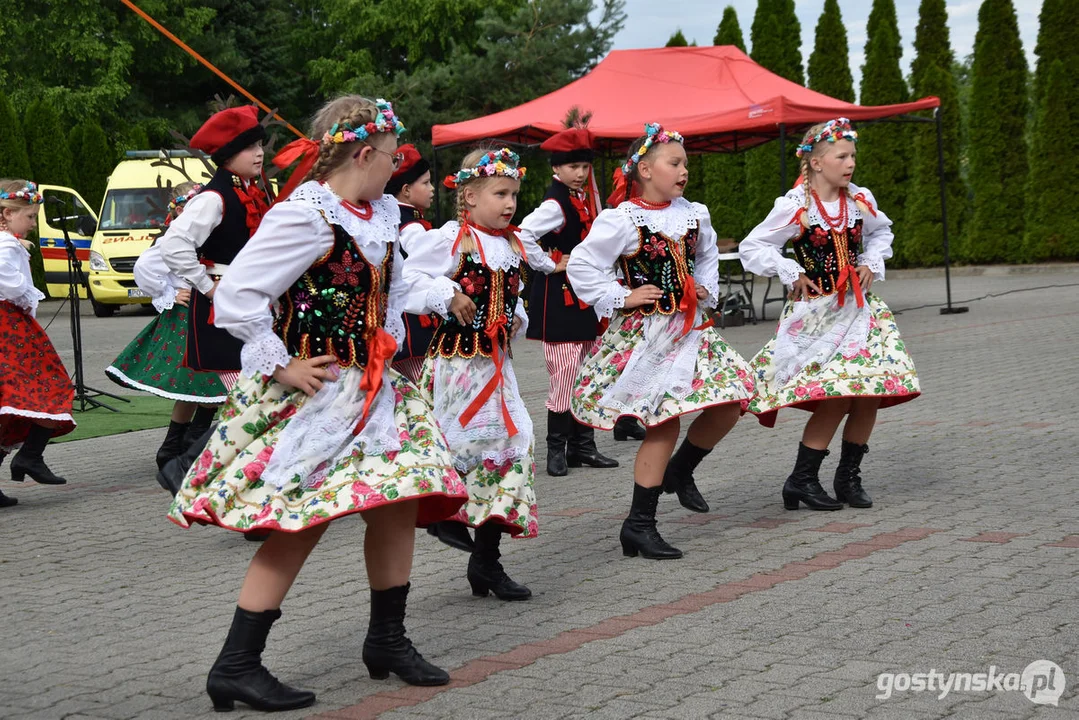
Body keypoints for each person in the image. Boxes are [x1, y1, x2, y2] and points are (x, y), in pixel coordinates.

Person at [168, 96, 469, 712]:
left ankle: (387, 639)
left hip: (375, 386)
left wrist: (447, 294)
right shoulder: (307, 216)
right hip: (320, 390)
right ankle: (236, 664)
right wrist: (279, 361)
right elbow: (239, 295)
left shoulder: (378, 213)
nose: (397, 169)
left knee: (398, 500)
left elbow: (395, 284)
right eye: (390, 157)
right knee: (300, 521)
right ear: (363, 153)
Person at [566, 124, 755, 560]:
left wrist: (703, 287)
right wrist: (621, 295)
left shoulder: (694, 214)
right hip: (646, 334)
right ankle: (639, 525)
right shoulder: (623, 218)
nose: (684, 170)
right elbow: (582, 266)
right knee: (662, 421)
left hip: (690, 328)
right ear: (645, 170)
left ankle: (681, 470)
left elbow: (706, 255)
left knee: (733, 398)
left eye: (686, 163)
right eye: (675, 163)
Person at [739, 118, 919, 511]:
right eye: (842, 156)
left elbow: (881, 232)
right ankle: (801, 480)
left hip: (859, 309)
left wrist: (871, 260)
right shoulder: (797, 205)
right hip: (817, 314)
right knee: (835, 396)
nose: (850, 162)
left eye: (853, 155)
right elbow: (753, 246)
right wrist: (791, 270)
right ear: (817, 163)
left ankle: (848, 476)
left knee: (870, 390)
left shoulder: (858, 199)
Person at [402, 147, 538, 600]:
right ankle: (446, 516)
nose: (509, 203)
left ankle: (486, 560)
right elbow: (406, 281)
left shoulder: (514, 243)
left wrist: (515, 315)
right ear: (470, 197)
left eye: (514, 194)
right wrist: (446, 292)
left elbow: (511, 293)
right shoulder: (449, 239)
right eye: (500, 193)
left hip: (497, 368)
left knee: (514, 446)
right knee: (461, 447)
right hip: (457, 367)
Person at [105, 183, 229, 470]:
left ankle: (188, 444)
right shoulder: (175, 238)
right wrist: (170, 294)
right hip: (187, 319)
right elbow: (144, 268)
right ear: (179, 209)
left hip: (211, 313)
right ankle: (177, 446)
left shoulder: (208, 236)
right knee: (200, 381)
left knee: (210, 383)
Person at [518, 126, 618, 477]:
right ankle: (556, 449)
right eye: (573, 166)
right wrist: (549, 263)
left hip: (583, 293)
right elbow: (524, 234)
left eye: (584, 166)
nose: (580, 173)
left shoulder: (580, 197)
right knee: (564, 371)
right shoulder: (555, 203)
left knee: (588, 367)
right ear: (556, 169)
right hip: (559, 298)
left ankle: (583, 448)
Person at [158, 105, 270, 397]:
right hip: (224, 302)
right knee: (248, 401)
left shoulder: (249, 191)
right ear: (228, 154)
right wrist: (207, 287)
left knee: (257, 401)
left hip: (250, 300)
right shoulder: (213, 198)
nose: (259, 153)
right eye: (249, 147)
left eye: (259, 145)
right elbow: (173, 245)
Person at [0, 179, 75, 503]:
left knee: (16, 400)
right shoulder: (6, 245)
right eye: (29, 217)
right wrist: (26, 291)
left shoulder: (9, 243)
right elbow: (11, 285)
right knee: (51, 386)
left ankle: (28, 456)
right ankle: (30, 455)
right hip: (10, 327)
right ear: (7, 213)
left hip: (14, 326)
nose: (33, 223)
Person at [387, 143, 438, 383]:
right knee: (427, 391)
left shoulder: (398, 218)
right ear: (406, 190)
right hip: (412, 326)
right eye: (426, 183)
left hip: (403, 323)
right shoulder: (409, 225)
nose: (432, 189)